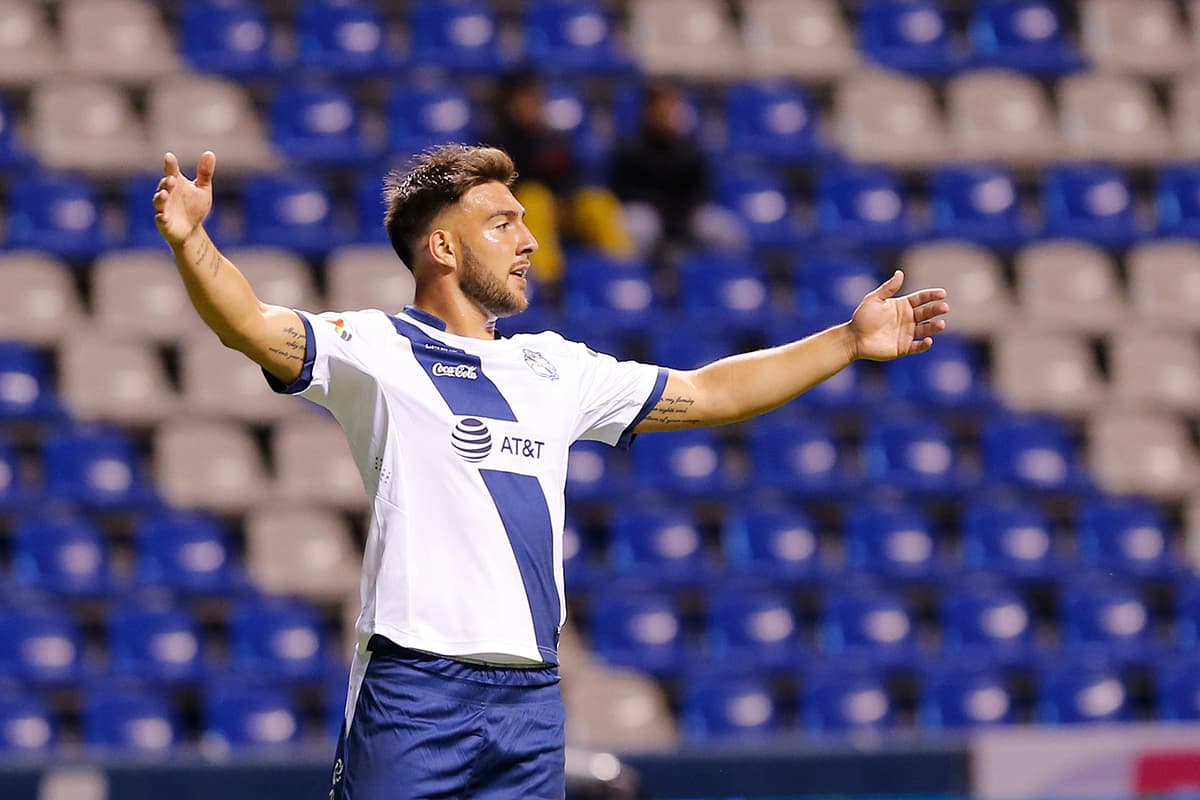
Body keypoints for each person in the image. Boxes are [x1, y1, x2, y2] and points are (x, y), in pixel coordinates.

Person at [152, 144, 949, 800]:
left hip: (529, 700)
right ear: (443, 248)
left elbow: (711, 392)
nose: (530, 241)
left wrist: (845, 342)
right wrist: (192, 242)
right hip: (414, 690)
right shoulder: (375, 349)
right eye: (503, 223)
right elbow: (250, 324)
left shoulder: (556, 367)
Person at [486, 71, 632, 283]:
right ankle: (547, 281)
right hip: (522, 209)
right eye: (523, 99)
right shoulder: (494, 140)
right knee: (535, 199)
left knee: (597, 202)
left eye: (534, 98)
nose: (530, 105)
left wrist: (564, 199)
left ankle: (625, 274)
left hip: (563, 206)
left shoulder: (552, 137)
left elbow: (571, 175)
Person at [609, 82, 745, 257]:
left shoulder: (691, 149)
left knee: (721, 228)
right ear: (647, 112)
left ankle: (722, 272)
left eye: (672, 108)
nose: (666, 114)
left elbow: (703, 191)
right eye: (660, 109)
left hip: (687, 214)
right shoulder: (629, 149)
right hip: (646, 213)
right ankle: (632, 272)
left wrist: (683, 209)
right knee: (635, 226)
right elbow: (621, 192)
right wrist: (658, 205)